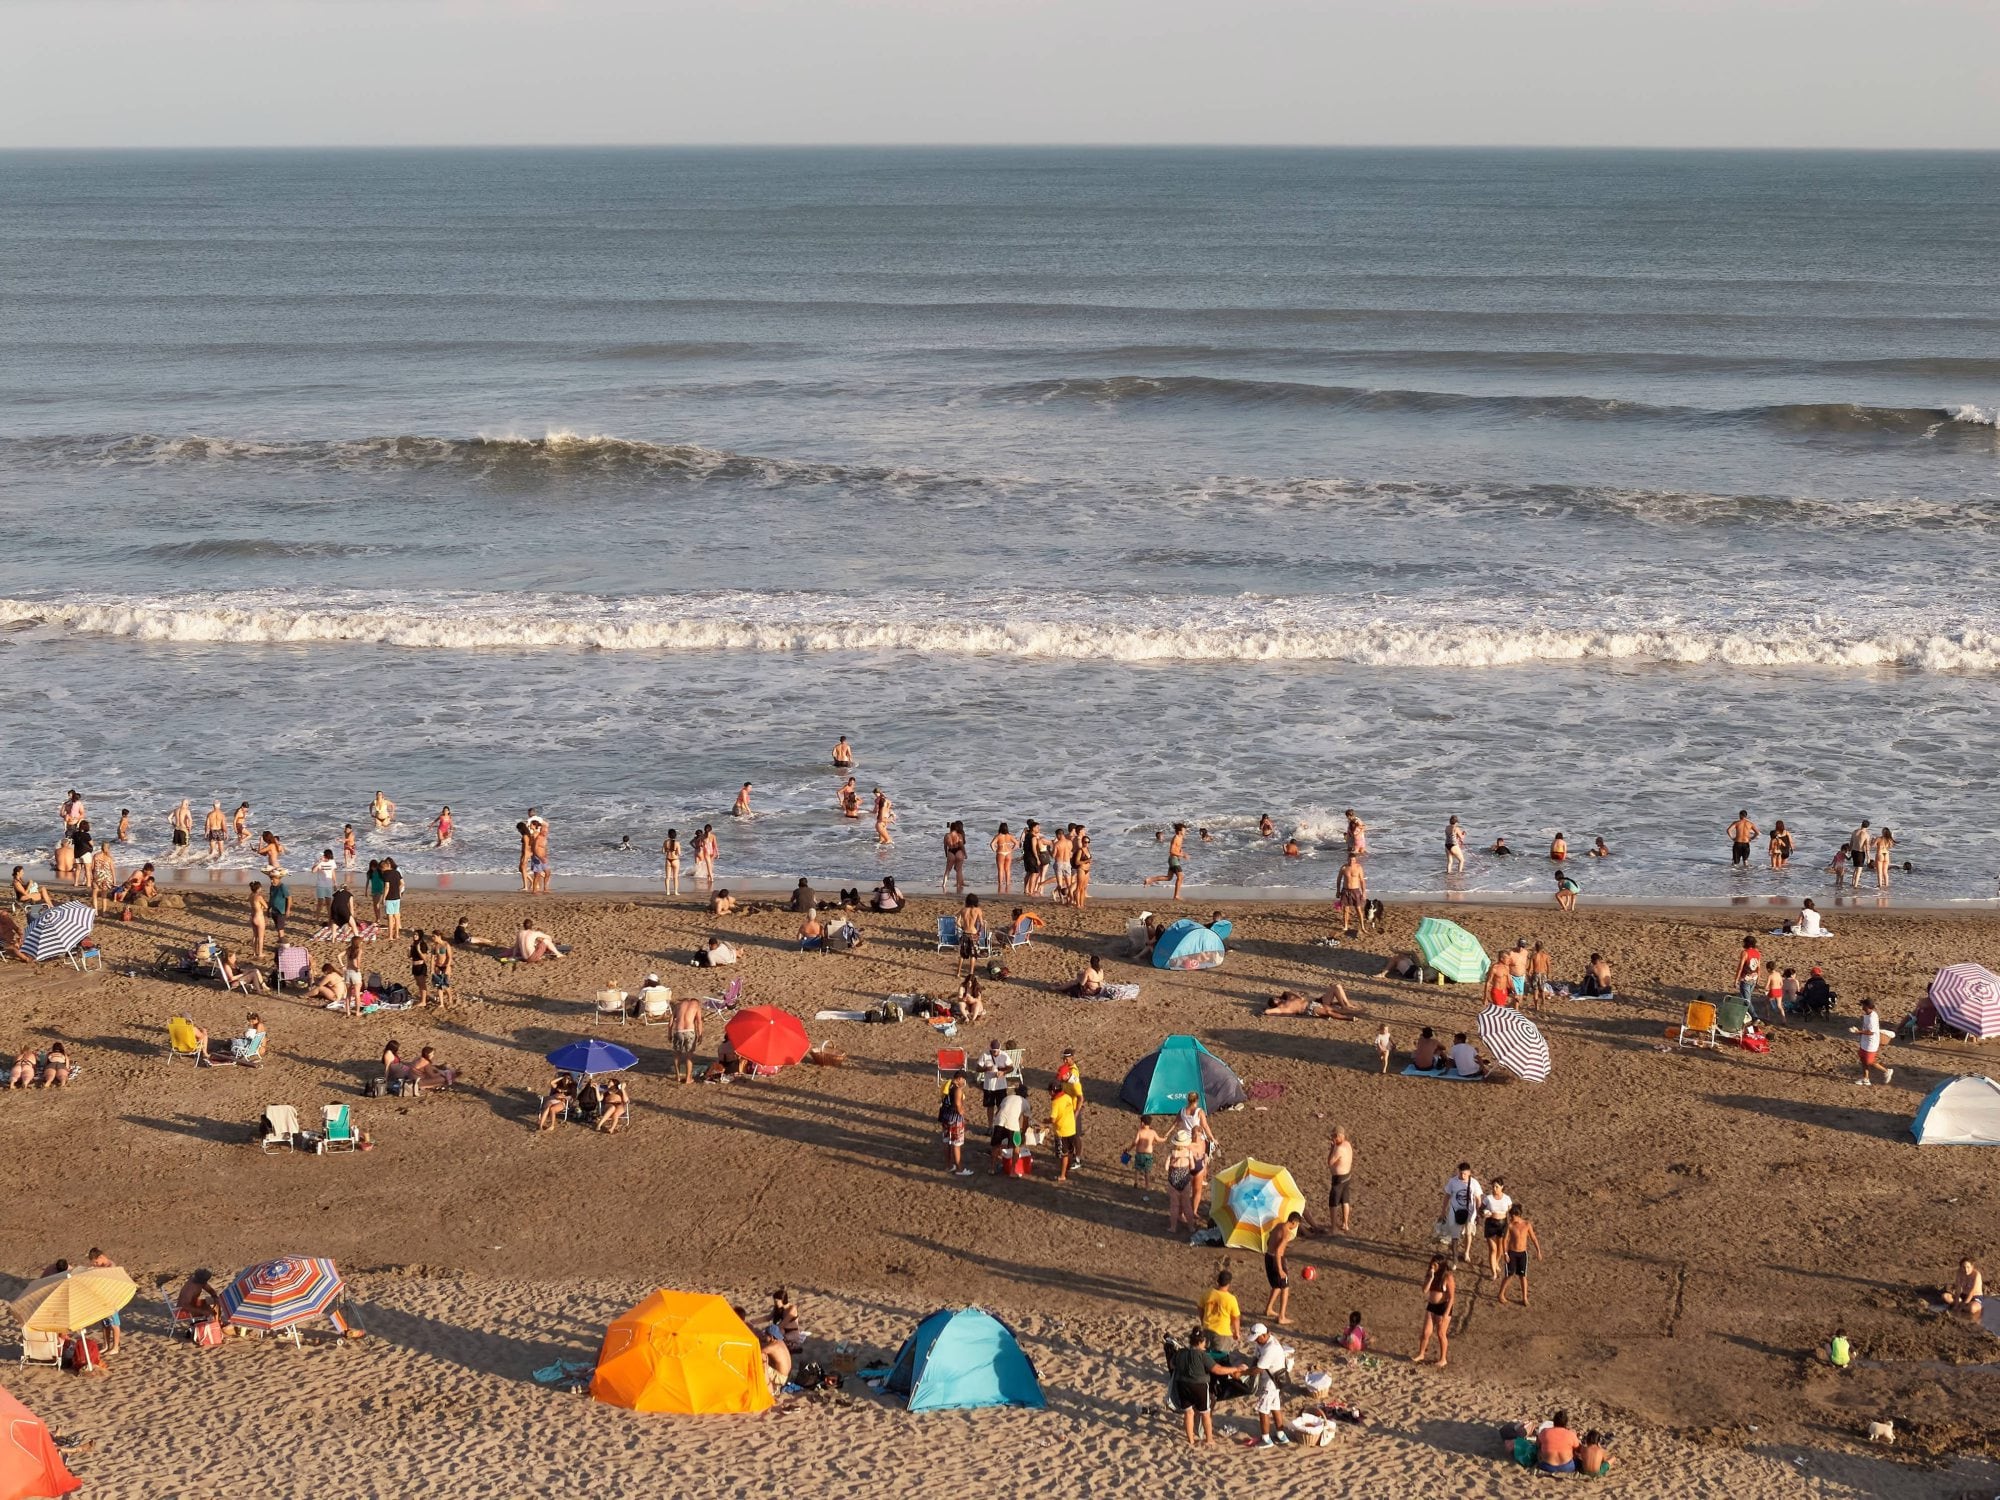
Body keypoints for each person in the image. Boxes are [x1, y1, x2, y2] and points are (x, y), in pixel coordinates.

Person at [1169, 1329, 1220, 1446]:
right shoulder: (1203, 1355)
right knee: (1205, 1413)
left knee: (1188, 1413)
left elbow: (1172, 1365)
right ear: (1202, 1341)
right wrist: (1235, 1369)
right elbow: (1217, 1370)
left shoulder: (1181, 1353)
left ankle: (1191, 1440)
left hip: (1183, 1385)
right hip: (1200, 1387)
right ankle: (1209, 1440)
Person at [1249, 1324, 1291, 1445]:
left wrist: (1241, 1373)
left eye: (1257, 1338)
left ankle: (1266, 1439)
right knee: (1275, 1408)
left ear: (1264, 1335)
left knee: (1263, 1410)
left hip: (1270, 1383)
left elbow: (1258, 1369)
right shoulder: (1263, 1342)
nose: (1256, 1341)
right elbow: (1255, 1359)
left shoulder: (1270, 1349)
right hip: (1273, 1381)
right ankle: (1281, 1434)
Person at [1497, 1204, 1544, 1305]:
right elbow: (1504, 1241)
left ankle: (1524, 1298)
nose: (1511, 1218)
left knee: (1523, 1276)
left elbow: (1533, 1238)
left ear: (1518, 1215)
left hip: (1522, 1253)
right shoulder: (1510, 1226)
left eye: (1512, 1216)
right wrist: (1505, 1253)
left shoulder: (1527, 1225)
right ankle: (1501, 1294)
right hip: (1512, 1253)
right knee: (1509, 1275)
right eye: (1511, 1216)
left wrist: (1538, 1251)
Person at [1415, 1255, 1454, 1366]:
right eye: (1432, 1264)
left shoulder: (1448, 1277)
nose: (1432, 1266)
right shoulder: (1430, 1274)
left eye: (1435, 1264)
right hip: (1431, 1306)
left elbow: (1451, 1297)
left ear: (1440, 1265)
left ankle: (1443, 1359)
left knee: (1441, 1333)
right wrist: (1431, 1277)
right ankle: (1421, 1354)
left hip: (1443, 1307)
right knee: (1426, 1332)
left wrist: (1446, 1313)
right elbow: (1424, 1290)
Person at [1443, 1162, 1483, 1262]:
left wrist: (1478, 1213)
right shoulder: (1453, 1181)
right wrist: (1443, 1210)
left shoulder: (1474, 1183)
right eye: (1461, 1173)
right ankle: (1455, 1255)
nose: (1462, 1175)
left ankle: (1466, 1253)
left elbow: (1478, 1199)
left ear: (1469, 1172)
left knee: (1468, 1233)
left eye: (1465, 1174)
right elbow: (1447, 1196)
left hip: (1470, 1213)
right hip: (1455, 1211)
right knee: (1455, 1235)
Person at [1850, 999, 1892, 1086]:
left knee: (1869, 1061)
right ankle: (1866, 1079)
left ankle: (1887, 1071)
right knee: (1863, 1059)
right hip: (1865, 1041)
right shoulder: (1868, 1015)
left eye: (1863, 1005)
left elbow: (1871, 1032)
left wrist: (1859, 1032)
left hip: (1871, 1043)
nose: (1862, 1007)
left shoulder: (1872, 1018)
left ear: (1867, 1006)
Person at [1164, 1130, 1200, 1232]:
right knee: (1187, 1205)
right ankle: (1191, 1227)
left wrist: (1172, 1163)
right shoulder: (1188, 1153)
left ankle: (1173, 1227)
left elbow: (1166, 1168)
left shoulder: (1172, 1153)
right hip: (1185, 1178)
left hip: (1173, 1178)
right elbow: (1192, 1167)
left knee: (1174, 1205)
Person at [938, 1068, 972, 1176]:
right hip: (955, 1119)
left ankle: (948, 1165)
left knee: (946, 1142)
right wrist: (962, 1114)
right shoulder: (957, 1089)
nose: (964, 1082)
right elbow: (958, 1105)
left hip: (945, 1117)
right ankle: (959, 1169)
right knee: (956, 1144)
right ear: (960, 1078)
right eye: (963, 1080)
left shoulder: (947, 1085)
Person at [1264, 982, 1363, 1018]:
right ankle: (1346, 1008)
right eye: (1275, 999)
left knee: (1336, 986)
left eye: (1276, 997)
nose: (1277, 998)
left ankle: (1346, 1004)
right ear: (1275, 1004)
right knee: (1333, 1011)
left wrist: (1287, 995)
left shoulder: (1288, 998)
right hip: (1314, 1006)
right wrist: (1266, 1011)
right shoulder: (1283, 1008)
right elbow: (1268, 1011)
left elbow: (1288, 992)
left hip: (1317, 1001)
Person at [1480, 1177, 1514, 1280]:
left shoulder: (1507, 1198)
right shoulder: (1488, 1198)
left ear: (1502, 1187)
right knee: (1493, 1249)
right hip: (1491, 1224)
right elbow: (1480, 1209)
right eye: (1493, 1186)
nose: (1494, 1188)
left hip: (1503, 1224)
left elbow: (1510, 1209)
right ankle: (1493, 1272)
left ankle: (1496, 1262)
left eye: (1497, 1186)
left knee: (1500, 1248)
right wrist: (1484, 1214)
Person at [1144, 822, 1187, 900]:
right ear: (1180, 831)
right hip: (1173, 860)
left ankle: (1150, 880)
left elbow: (1178, 849)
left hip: (1174, 859)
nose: (1185, 832)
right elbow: (1171, 851)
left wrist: (1183, 854)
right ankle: (1176, 896)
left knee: (1168, 878)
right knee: (1180, 877)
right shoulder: (1176, 838)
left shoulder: (1180, 838)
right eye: (1184, 830)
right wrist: (1182, 855)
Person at [992, 1084, 1029, 1175]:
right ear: (1025, 1095)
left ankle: (991, 1168)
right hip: (1013, 1124)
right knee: (1016, 1147)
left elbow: (997, 1112)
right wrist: (1023, 1132)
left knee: (996, 1145)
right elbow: (1025, 1121)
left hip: (999, 1121)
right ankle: (1012, 1171)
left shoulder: (1007, 1098)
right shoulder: (1025, 1102)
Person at [1201, 1268, 1241, 1348]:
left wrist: (1202, 1320)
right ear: (1229, 1283)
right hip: (1222, 1333)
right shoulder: (1231, 1299)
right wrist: (1236, 1332)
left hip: (1207, 1329)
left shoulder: (1208, 1293)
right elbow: (1235, 1318)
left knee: (1206, 1355)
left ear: (1218, 1281)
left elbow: (1200, 1307)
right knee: (1220, 1357)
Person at [1048, 1081, 1080, 1182]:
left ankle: (1062, 1175)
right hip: (1071, 1128)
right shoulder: (1067, 1097)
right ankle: (1068, 1168)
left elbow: (1053, 1119)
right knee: (1070, 1151)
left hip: (1062, 1131)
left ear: (1053, 1091)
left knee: (1063, 1154)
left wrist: (1046, 1121)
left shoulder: (1055, 1102)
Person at [670, 992, 704, 1085]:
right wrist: (700, 1034)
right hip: (689, 1031)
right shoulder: (696, 1005)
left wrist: (669, 1032)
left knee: (677, 1054)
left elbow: (671, 1019)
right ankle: (688, 1078)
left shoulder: (678, 1005)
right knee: (689, 1056)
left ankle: (677, 1076)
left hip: (678, 1031)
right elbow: (699, 1021)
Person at [1536, 1410, 1581, 1475]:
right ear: (1566, 1423)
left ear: (1554, 1422)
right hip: (1567, 1467)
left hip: (1547, 1467)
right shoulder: (1571, 1434)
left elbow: (1538, 1444)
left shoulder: (1545, 1431)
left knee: (1539, 1450)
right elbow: (1578, 1449)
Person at [1336, 851, 1366, 936]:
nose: (1351, 862)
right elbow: (1339, 880)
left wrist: (1364, 893)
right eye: (1350, 860)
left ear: (1355, 860)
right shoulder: (1344, 868)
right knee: (1346, 910)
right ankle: (1345, 926)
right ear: (1347, 859)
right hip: (1345, 890)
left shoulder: (1359, 867)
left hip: (1355, 890)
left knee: (1358, 909)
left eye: (1353, 860)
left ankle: (1362, 926)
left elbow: (1362, 881)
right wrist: (1338, 891)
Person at [1129, 1116, 1161, 1190]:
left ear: (1142, 1123)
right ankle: (1147, 1186)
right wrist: (1165, 1138)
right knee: (1147, 1171)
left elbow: (1135, 1142)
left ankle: (1136, 1182)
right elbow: (1159, 1139)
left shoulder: (1140, 1131)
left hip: (1139, 1154)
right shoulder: (1153, 1132)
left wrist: (1129, 1149)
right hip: (1148, 1155)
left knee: (1137, 1169)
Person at [941, 820, 968, 894]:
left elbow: (945, 846)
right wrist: (965, 854)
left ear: (950, 828)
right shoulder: (959, 835)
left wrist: (946, 854)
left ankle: (944, 884)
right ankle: (959, 885)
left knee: (947, 870)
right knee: (959, 870)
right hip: (958, 851)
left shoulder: (947, 835)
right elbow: (962, 846)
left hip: (951, 851)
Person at [991, 823, 1016, 893]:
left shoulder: (998, 836)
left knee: (1000, 870)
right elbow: (1016, 843)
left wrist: (995, 850)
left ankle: (1000, 884)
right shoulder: (1010, 836)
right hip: (1008, 853)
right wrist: (1012, 849)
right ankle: (1008, 883)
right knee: (1008, 869)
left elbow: (992, 844)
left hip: (1000, 853)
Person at [1735, 934, 1761, 1002]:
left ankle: (1754, 1013)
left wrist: (1736, 979)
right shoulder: (1757, 953)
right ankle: (1745, 1012)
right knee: (1746, 998)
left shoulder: (1745, 953)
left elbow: (1740, 967)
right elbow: (1758, 967)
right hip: (1754, 978)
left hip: (1746, 978)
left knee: (1746, 1000)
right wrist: (1758, 979)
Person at [1849, 819, 1873, 889]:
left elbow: (1851, 842)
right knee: (1859, 870)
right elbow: (1867, 847)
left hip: (1853, 851)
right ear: (1868, 827)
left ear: (1861, 824)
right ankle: (1855, 886)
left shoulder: (1854, 832)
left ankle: (1853, 883)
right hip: (1860, 853)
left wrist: (1849, 851)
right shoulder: (1866, 835)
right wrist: (1868, 857)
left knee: (1856, 869)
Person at [661, 829, 682, 896]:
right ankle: (675, 892)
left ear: (668, 835)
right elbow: (679, 853)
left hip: (668, 860)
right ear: (675, 835)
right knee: (675, 877)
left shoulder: (665, 842)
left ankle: (668, 892)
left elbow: (663, 851)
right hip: (675, 860)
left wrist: (667, 850)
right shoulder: (677, 843)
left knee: (667, 877)